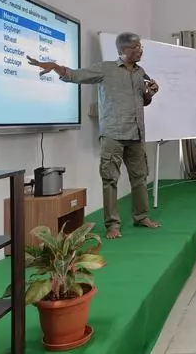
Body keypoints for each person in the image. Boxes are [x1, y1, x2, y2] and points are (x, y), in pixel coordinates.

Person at [27, 32, 160, 239]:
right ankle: (112, 225)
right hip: (113, 134)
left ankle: (141, 217)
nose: (139, 50)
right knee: (110, 180)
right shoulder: (106, 69)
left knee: (140, 178)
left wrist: (150, 93)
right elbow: (75, 75)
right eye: (135, 47)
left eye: (140, 47)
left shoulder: (140, 72)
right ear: (123, 50)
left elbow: (143, 101)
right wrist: (54, 66)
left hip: (136, 134)